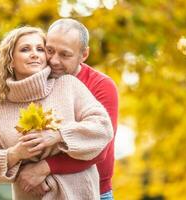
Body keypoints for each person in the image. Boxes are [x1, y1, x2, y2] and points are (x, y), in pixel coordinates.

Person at [0, 26, 114, 200]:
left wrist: (58, 135)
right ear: (10, 60)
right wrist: (15, 153)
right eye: (25, 49)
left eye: (40, 49)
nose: (34, 54)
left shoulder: (68, 85)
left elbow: (102, 128)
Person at [16, 19, 119, 200]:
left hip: (94, 192)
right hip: (45, 192)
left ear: (84, 54)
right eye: (50, 51)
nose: (54, 61)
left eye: (65, 55)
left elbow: (100, 149)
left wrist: (44, 168)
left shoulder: (101, 86)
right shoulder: (39, 80)